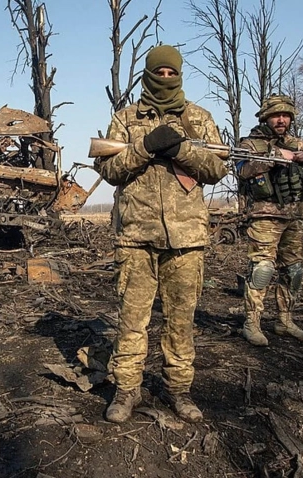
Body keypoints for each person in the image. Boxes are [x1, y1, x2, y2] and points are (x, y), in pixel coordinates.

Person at [93, 45, 227, 423]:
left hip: (186, 241)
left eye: (171, 73)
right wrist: (145, 146)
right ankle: (126, 390)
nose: (165, 78)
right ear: (148, 74)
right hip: (136, 236)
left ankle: (178, 391)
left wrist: (183, 149)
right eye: (159, 72)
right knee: (132, 321)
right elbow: (111, 171)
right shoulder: (125, 119)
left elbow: (217, 169)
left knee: (180, 323)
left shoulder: (199, 119)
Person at [236, 94, 303, 347]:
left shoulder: (298, 143)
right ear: (266, 117)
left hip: (294, 216)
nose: (281, 119)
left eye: (285, 115)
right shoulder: (250, 144)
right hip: (264, 217)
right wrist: (274, 158)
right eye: (276, 115)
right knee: (262, 269)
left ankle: (285, 320)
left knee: (294, 271)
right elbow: (242, 171)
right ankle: (252, 323)